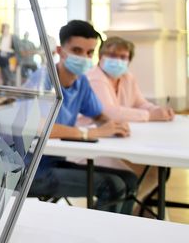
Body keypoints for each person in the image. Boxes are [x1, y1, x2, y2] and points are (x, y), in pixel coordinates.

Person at [26, 20, 138, 214]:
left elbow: (98, 114)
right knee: (112, 186)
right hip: (29, 168)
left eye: (89, 53)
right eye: (77, 51)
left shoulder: (81, 82)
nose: (84, 58)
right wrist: (91, 132)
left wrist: (112, 125)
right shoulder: (42, 79)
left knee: (129, 180)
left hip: (54, 160)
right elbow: (42, 128)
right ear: (60, 51)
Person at [87, 37, 175, 122]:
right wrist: (149, 115)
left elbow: (140, 103)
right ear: (100, 56)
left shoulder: (128, 77)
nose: (117, 60)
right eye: (112, 55)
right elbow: (108, 112)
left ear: (129, 61)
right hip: (90, 129)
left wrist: (159, 110)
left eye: (123, 57)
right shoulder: (94, 77)